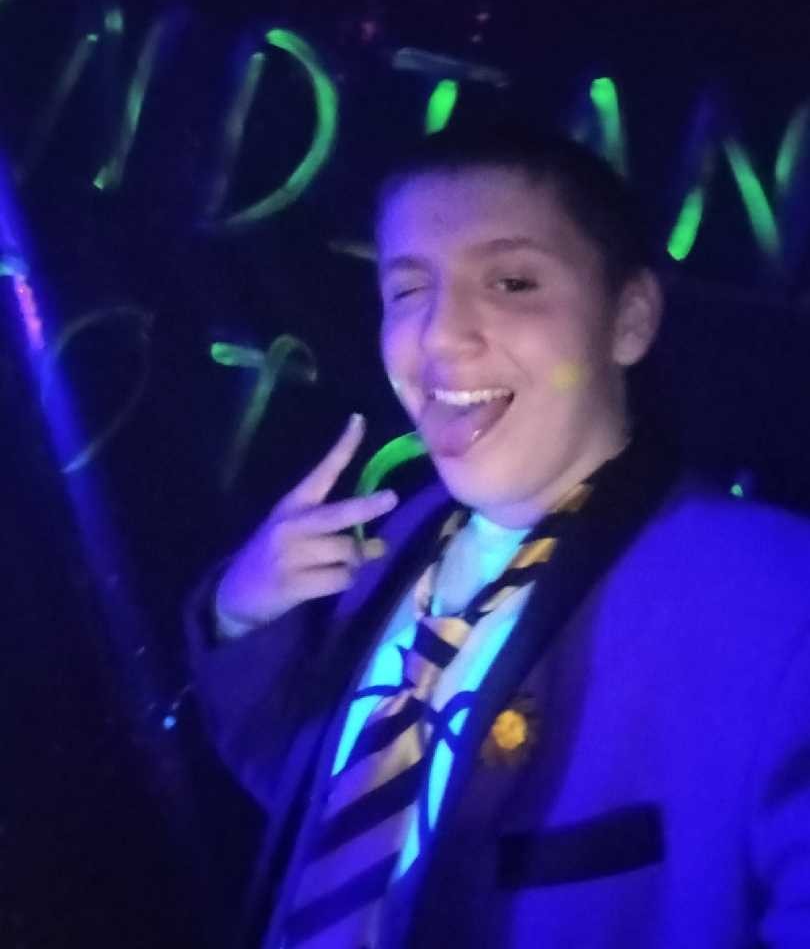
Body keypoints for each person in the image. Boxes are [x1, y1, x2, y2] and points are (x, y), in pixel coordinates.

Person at [188, 124, 810, 948]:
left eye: (513, 282)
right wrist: (241, 618)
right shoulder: (389, 544)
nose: (439, 335)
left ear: (628, 319)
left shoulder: (772, 595)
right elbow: (332, 814)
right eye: (408, 289)